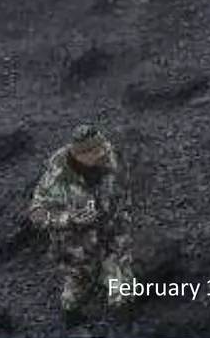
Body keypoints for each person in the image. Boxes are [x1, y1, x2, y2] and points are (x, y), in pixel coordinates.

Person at [28, 124, 135, 325]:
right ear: (80, 155)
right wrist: (68, 219)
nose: (103, 153)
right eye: (95, 151)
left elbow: (123, 189)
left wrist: (124, 224)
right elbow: (36, 214)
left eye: (103, 147)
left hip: (110, 240)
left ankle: (124, 325)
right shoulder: (56, 179)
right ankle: (72, 318)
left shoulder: (111, 158)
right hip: (76, 249)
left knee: (123, 288)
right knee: (76, 291)